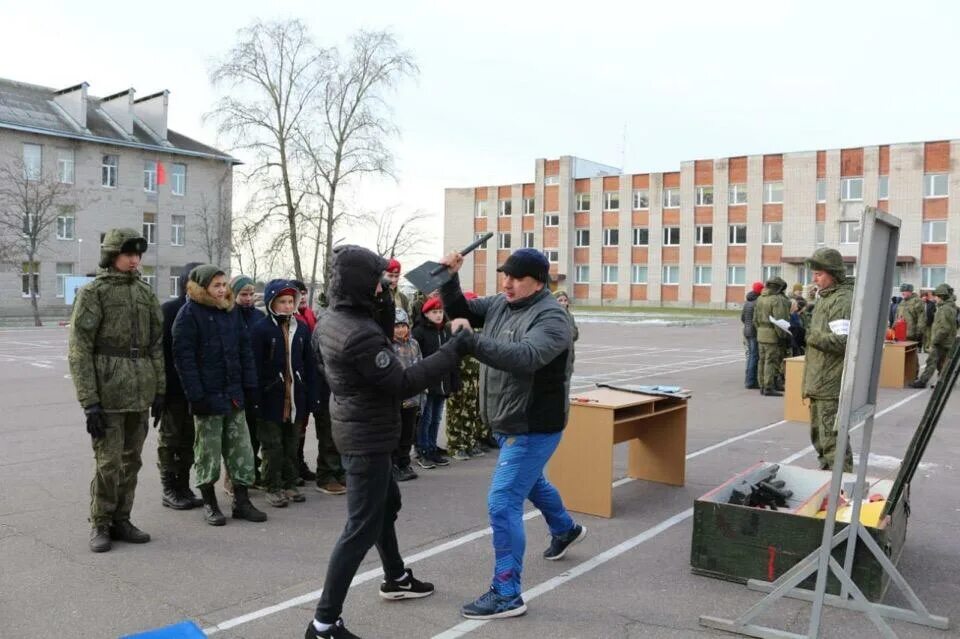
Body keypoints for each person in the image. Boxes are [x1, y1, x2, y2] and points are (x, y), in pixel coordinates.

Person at [306, 245, 474, 639]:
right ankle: (323, 623)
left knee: (387, 505)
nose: (385, 286)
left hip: (358, 426)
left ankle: (395, 576)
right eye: (378, 280)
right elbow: (402, 382)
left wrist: (381, 296)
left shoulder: (333, 318)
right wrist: (454, 350)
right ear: (364, 286)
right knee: (361, 528)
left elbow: (372, 334)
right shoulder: (358, 335)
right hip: (367, 436)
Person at [438, 247, 585, 620]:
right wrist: (450, 278)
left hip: (533, 425)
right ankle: (565, 529)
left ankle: (507, 593)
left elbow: (525, 357)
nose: (507, 283)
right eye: (505, 275)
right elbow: (463, 312)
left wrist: (470, 342)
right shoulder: (505, 302)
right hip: (507, 418)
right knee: (533, 482)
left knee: (502, 502)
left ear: (538, 282)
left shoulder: (554, 318)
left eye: (515, 277)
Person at [68, 228, 164, 552]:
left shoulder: (145, 293)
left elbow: (156, 345)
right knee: (108, 463)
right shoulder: (94, 293)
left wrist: (160, 391)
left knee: (132, 461)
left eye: (138, 254)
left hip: (140, 390)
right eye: (128, 254)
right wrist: (89, 403)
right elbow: (79, 350)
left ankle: (122, 519)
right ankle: (100, 523)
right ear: (112, 255)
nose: (135, 259)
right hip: (108, 392)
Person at [172, 264, 267, 526]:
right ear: (203, 288)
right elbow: (185, 360)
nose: (222, 289)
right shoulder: (188, 315)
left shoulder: (230, 312)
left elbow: (244, 350)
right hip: (208, 398)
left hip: (233, 395)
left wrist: (249, 386)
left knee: (241, 450)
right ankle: (210, 503)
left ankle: (242, 501)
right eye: (217, 285)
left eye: (224, 284)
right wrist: (196, 396)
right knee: (208, 452)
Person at [252, 279, 317, 506]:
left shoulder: (302, 329)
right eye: (282, 301)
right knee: (272, 446)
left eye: (291, 301)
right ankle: (272, 485)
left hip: (295, 398)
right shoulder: (261, 329)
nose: (288, 306)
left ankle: (290, 484)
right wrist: (256, 398)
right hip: (270, 398)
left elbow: (309, 365)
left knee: (291, 444)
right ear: (272, 302)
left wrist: (310, 396)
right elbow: (255, 367)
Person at [157, 261, 204, 511]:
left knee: (190, 440)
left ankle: (184, 485)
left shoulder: (207, 311)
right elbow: (161, 353)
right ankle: (169, 487)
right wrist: (160, 391)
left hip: (196, 389)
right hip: (173, 390)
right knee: (171, 439)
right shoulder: (170, 310)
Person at [802, 248, 854, 472]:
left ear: (833, 274)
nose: (815, 278)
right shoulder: (826, 297)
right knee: (820, 439)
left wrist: (812, 336)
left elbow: (844, 342)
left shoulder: (842, 300)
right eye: (814, 273)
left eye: (819, 274)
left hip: (830, 382)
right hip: (819, 379)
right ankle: (827, 482)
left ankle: (841, 488)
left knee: (832, 441)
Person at [225, 274, 263, 494]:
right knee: (237, 433)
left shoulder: (259, 317)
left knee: (255, 431)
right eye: (243, 294)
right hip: (236, 381)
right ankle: (231, 476)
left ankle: (250, 472)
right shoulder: (229, 315)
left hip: (257, 381)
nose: (248, 298)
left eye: (251, 294)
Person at [412, 296, 458, 468]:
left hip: (442, 381)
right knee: (426, 417)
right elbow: (416, 358)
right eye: (434, 312)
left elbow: (452, 356)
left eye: (440, 312)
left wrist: (454, 380)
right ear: (426, 314)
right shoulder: (419, 332)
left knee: (437, 417)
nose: (438, 315)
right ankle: (422, 449)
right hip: (426, 382)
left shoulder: (446, 331)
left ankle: (432, 447)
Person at [310, 297, 348, 496]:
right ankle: (326, 475)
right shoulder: (326, 322)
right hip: (328, 385)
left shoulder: (352, 319)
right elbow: (319, 358)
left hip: (345, 387)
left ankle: (340, 470)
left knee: (342, 433)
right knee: (328, 434)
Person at [291, 279, 318, 484]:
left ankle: (299, 462)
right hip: (293, 376)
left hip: (307, 375)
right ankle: (292, 466)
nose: (301, 297)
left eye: (303, 292)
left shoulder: (309, 314)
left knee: (303, 424)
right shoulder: (291, 318)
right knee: (293, 425)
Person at [391, 307, 421, 480]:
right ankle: (393, 464)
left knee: (408, 432)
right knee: (396, 431)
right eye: (397, 326)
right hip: (396, 397)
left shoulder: (414, 344)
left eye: (403, 325)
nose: (401, 329)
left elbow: (420, 365)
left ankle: (404, 462)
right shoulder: (389, 345)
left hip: (412, 397)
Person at [910, 283, 958, 388]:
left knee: (931, 361)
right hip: (947, 340)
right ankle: (943, 381)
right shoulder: (949, 307)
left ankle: (922, 381)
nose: (934, 298)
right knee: (942, 363)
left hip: (941, 341)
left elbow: (944, 328)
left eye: (936, 296)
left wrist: (935, 340)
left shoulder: (945, 309)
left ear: (941, 296)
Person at [753, 276, 791, 396]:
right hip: (772, 335)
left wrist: (760, 329)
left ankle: (762, 385)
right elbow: (780, 320)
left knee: (762, 360)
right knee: (770, 361)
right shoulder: (776, 300)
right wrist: (782, 336)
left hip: (761, 333)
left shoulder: (760, 298)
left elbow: (755, 319)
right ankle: (769, 387)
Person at [740, 282, 763, 389]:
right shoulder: (758, 303)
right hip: (754, 332)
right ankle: (751, 381)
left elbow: (743, 318)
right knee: (754, 356)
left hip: (747, 331)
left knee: (750, 356)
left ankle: (748, 379)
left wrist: (747, 325)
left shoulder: (747, 302)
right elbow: (758, 319)